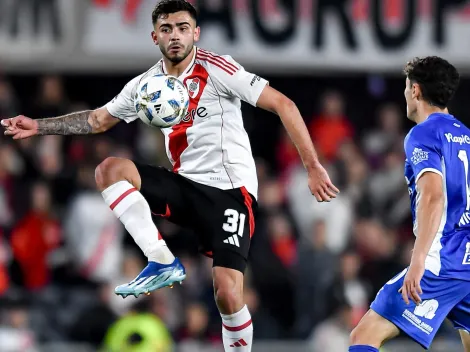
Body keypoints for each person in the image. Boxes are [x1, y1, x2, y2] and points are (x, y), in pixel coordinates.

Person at [1, 1, 338, 350]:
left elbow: (284, 104)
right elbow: (97, 121)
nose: (174, 35)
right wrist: (38, 126)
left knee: (226, 291)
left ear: (196, 33)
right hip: (184, 186)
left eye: (181, 27)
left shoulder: (218, 68)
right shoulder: (146, 85)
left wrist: (312, 166)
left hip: (229, 193)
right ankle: (160, 259)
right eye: (166, 29)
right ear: (154, 37)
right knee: (110, 170)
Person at [349, 56, 470, 352]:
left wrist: (418, 260)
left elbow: (433, 195)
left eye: (406, 87)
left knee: (363, 336)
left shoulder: (424, 133)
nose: (405, 94)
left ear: (415, 90)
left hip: (442, 261)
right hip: (468, 260)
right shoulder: (466, 135)